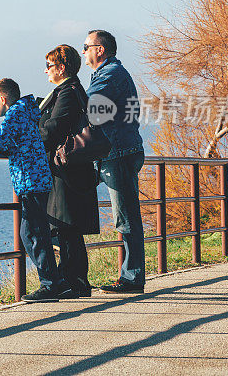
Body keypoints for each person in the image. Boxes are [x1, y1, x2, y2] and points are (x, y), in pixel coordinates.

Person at [0, 78, 68, 301]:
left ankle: (50, 284)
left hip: (30, 181)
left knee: (31, 232)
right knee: (36, 230)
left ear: (3, 99)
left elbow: (1, 139)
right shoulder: (27, 112)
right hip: (37, 179)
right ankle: (56, 281)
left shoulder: (16, 114)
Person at [83, 30, 146, 293]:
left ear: (100, 50)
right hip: (114, 152)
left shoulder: (111, 75)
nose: (83, 51)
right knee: (124, 216)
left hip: (118, 153)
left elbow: (87, 105)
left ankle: (132, 278)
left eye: (86, 46)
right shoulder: (106, 74)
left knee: (126, 218)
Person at [37, 44, 99, 298]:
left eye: (50, 66)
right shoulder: (71, 91)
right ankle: (73, 280)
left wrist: (29, 140)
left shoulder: (68, 92)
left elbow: (54, 129)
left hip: (68, 171)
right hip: (73, 169)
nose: (46, 71)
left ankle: (75, 282)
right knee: (67, 227)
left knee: (66, 226)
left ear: (62, 68)